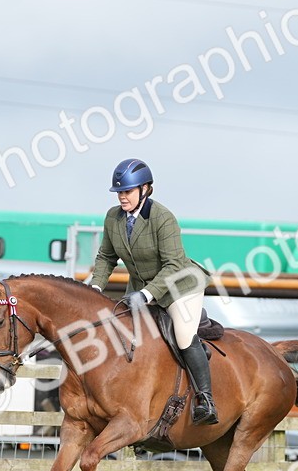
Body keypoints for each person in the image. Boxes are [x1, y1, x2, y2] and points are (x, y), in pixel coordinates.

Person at [88, 158, 218, 424]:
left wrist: (147, 294)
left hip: (180, 287)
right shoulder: (113, 218)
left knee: (183, 336)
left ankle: (206, 400)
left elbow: (174, 264)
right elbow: (106, 257)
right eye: (119, 192)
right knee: (121, 334)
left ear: (145, 189)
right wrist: (94, 287)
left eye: (127, 191)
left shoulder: (162, 218)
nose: (122, 197)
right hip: (140, 289)